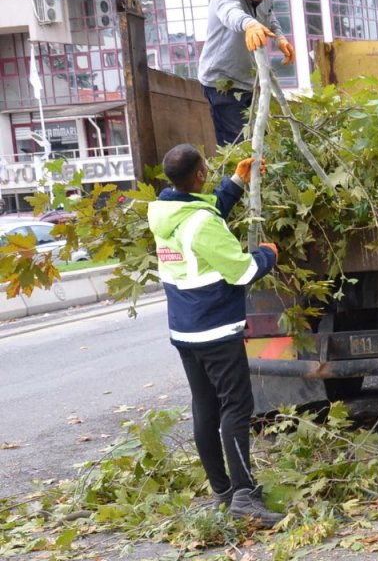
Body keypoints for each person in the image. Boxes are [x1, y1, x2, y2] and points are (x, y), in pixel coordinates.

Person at [148, 143, 283, 527]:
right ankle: (245, 496)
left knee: (205, 408)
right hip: (217, 331)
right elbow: (241, 271)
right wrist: (268, 255)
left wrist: (236, 183)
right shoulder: (201, 223)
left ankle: (223, 492)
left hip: (186, 331)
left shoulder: (166, 214)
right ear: (200, 175)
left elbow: (202, 221)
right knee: (236, 409)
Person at [196, 0, 295, 146]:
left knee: (261, 142)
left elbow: (270, 16)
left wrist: (280, 38)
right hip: (223, 84)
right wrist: (249, 24)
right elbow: (231, 13)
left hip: (250, 83)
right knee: (239, 147)